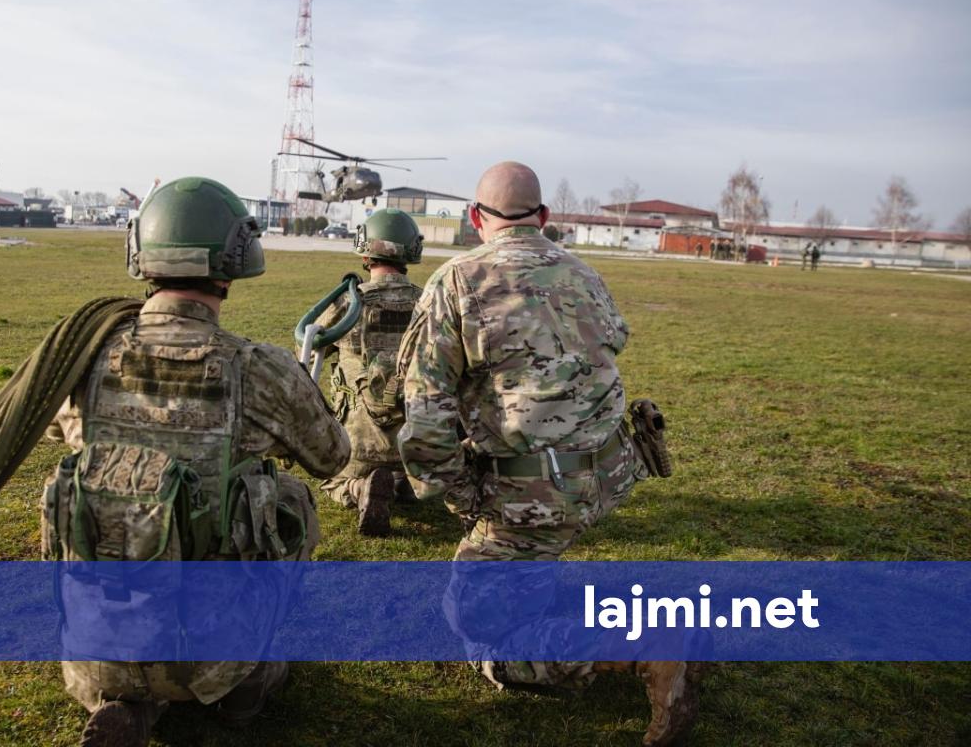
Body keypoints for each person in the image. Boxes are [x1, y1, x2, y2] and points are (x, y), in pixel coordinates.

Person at [396, 161, 703, 747]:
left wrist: (461, 497)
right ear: (544, 217)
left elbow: (426, 410)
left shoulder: (458, 279)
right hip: (609, 473)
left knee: (485, 642)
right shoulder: (584, 272)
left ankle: (641, 646)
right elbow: (610, 343)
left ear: (474, 218)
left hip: (533, 494)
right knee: (527, 561)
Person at [44, 177, 350, 747]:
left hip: (95, 648)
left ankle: (128, 702)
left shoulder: (82, 356)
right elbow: (334, 459)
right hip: (212, 654)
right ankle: (242, 687)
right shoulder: (260, 368)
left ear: (141, 255)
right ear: (232, 263)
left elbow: (60, 430)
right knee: (291, 498)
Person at [316, 208, 424, 536]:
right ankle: (404, 483)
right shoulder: (428, 304)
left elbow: (308, 351)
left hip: (357, 447)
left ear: (365, 252)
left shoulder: (348, 304)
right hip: (417, 446)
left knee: (331, 479)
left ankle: (359, 489)